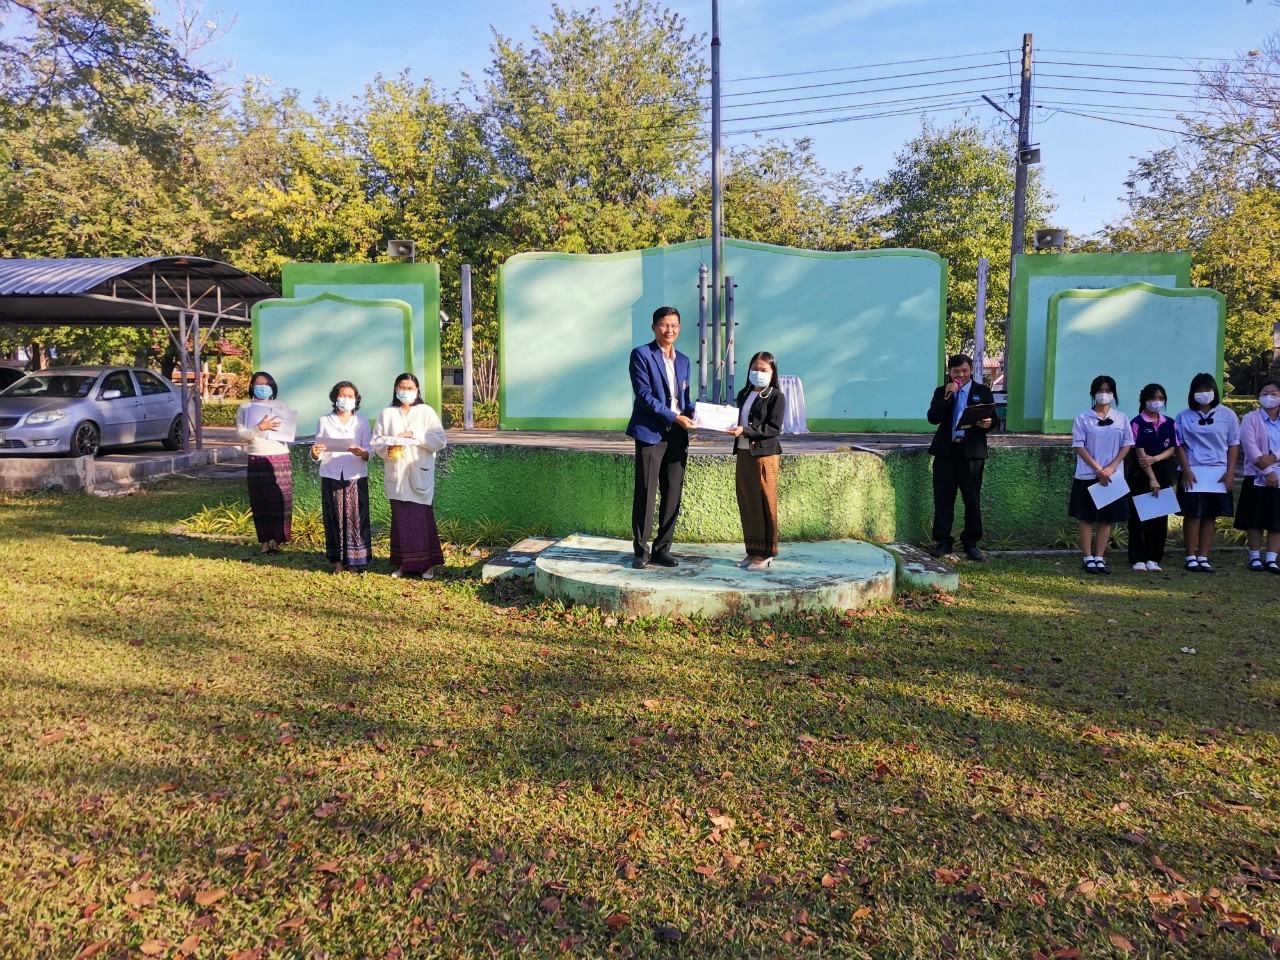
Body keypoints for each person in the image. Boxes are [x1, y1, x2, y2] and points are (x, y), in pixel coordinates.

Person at [626, 306, 696, 569]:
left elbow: (684, 399)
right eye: (665, 325)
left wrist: (700, 415)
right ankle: (641, 551)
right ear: (654, 327)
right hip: (650, 432)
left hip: (677, 434)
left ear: (679, 328)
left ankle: (662, 549)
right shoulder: (641, 354)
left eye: (674, 325)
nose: (670, 330)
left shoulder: (684, 360)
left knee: (673, 492)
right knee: (646, 491)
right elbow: (644, 396)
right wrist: (675, 417)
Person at [372, 373, 448, 580]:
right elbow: (376, 441)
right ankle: (404, 564)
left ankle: (427, 566)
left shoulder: (426, 412)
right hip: (396, 473)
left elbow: (440, 440)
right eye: (401, 387)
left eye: (409, 388)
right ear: (395, 389)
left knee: (421, 519)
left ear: (417, 390)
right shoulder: (387, 413)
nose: (405, 391)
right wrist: (390, 446)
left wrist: (415, 435)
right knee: (401, 521)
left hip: (419, 473)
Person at [926, 353, 995, 561]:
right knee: (943, 498)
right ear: (949, 372)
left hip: (971, 453)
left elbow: (993, 420)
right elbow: (933, 418)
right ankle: (943, 542)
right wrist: (948, 396)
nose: (961, 375)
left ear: (971, 370)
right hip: (946, 452)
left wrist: (988, 424)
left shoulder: (982, 392)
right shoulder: (942, 392)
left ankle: (971, 542)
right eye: (956, 371)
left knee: (972, 499)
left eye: (964, 371)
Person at [1175, 373, 1239, 573]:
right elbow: (1179, 445)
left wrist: (1230, 472)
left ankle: (1203, 556)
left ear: (1215, 391)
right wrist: (1186, 470)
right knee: (1192, 515)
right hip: (1192, 471)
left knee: (1210, 515)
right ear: (1192, 393)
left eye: (1208, 389)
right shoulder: (1183, 416)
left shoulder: (1227, 415)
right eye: (1199, 390)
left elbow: (1233, 444)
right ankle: (1190, 556)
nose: (1204, 393)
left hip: (1218, 473)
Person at [1068, 375, 1133, 575]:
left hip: (1112, 476)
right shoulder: (1082, 418)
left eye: (1108, 390)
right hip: (1088, 474)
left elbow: (1127, 444)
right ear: (1093, 393)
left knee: (1107, 518)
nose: (1104, 394)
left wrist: (1111, 467)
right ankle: (1088, 557)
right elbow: (1079, 445)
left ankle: (1099, 557)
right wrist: (1098, 468)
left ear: (1114, 393)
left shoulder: (1121, 418)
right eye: (1100, 390)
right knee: (1086, 517)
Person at [729, 351, 786, 571]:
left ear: (772, 373)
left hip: (764, 455)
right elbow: (740, 419)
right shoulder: (744, 393)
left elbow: (773, 428)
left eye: (763, 370)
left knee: (765, 501)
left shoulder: (776, 396)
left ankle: (767, 552)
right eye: (755, 369)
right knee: (747, 500)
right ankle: (752, 550)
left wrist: (745, 430)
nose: (758, 373)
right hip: (744, 453)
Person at [312, 381, 373, 575]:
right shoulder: (324, 420)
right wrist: (315, 453)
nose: (346, 399)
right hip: (331, 474)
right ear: (335, 398)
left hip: (355, 475)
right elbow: (318, 449)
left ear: (356, 399)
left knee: (356, 518)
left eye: (350, 396)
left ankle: (355, 561)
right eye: (342, 395)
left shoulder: (362, 421)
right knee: (334, 518)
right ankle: (338, 561)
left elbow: (369, 448)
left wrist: (363, 452)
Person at [1125, 383, 1180, 572]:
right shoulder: (1137, 423)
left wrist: (1156, 458)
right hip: (1141, 474)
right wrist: (1151, 478)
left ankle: (1153, 557)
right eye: (1153, 398)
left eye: (1161, 398)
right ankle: (1137, 558)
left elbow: (1172, 448)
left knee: (1159, 517)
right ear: (1145, 400)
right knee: (1138, 518)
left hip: (1163, 471)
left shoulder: (1169, 422)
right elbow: (1140, 453)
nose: (1157, 402)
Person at [235, 371, 292, 554]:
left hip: (280, 455)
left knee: (280, 500)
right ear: (252, 386)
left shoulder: (281, 406)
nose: (263, 387)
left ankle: (278, 541)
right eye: (259, 384)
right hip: (257, 456)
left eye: (266, 384)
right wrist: (259, 427)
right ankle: (265, 542)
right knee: (260, 500)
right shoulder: (245, 407)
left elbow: (290, 430)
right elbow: (241, 435)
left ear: (272, 386)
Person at [1234, 378, 1280, 573]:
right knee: (1255, 518)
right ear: (1258, 396)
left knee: (1276, 520)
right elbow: (1250, 448)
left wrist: (1274, 457)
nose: (1269, 397)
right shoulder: (1250, 419)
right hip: (1256, 475)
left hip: (1279, 475)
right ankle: (1254, 557)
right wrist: (1268, 472)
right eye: (1265, 393)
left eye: (1274, 394)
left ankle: (1271, 559)